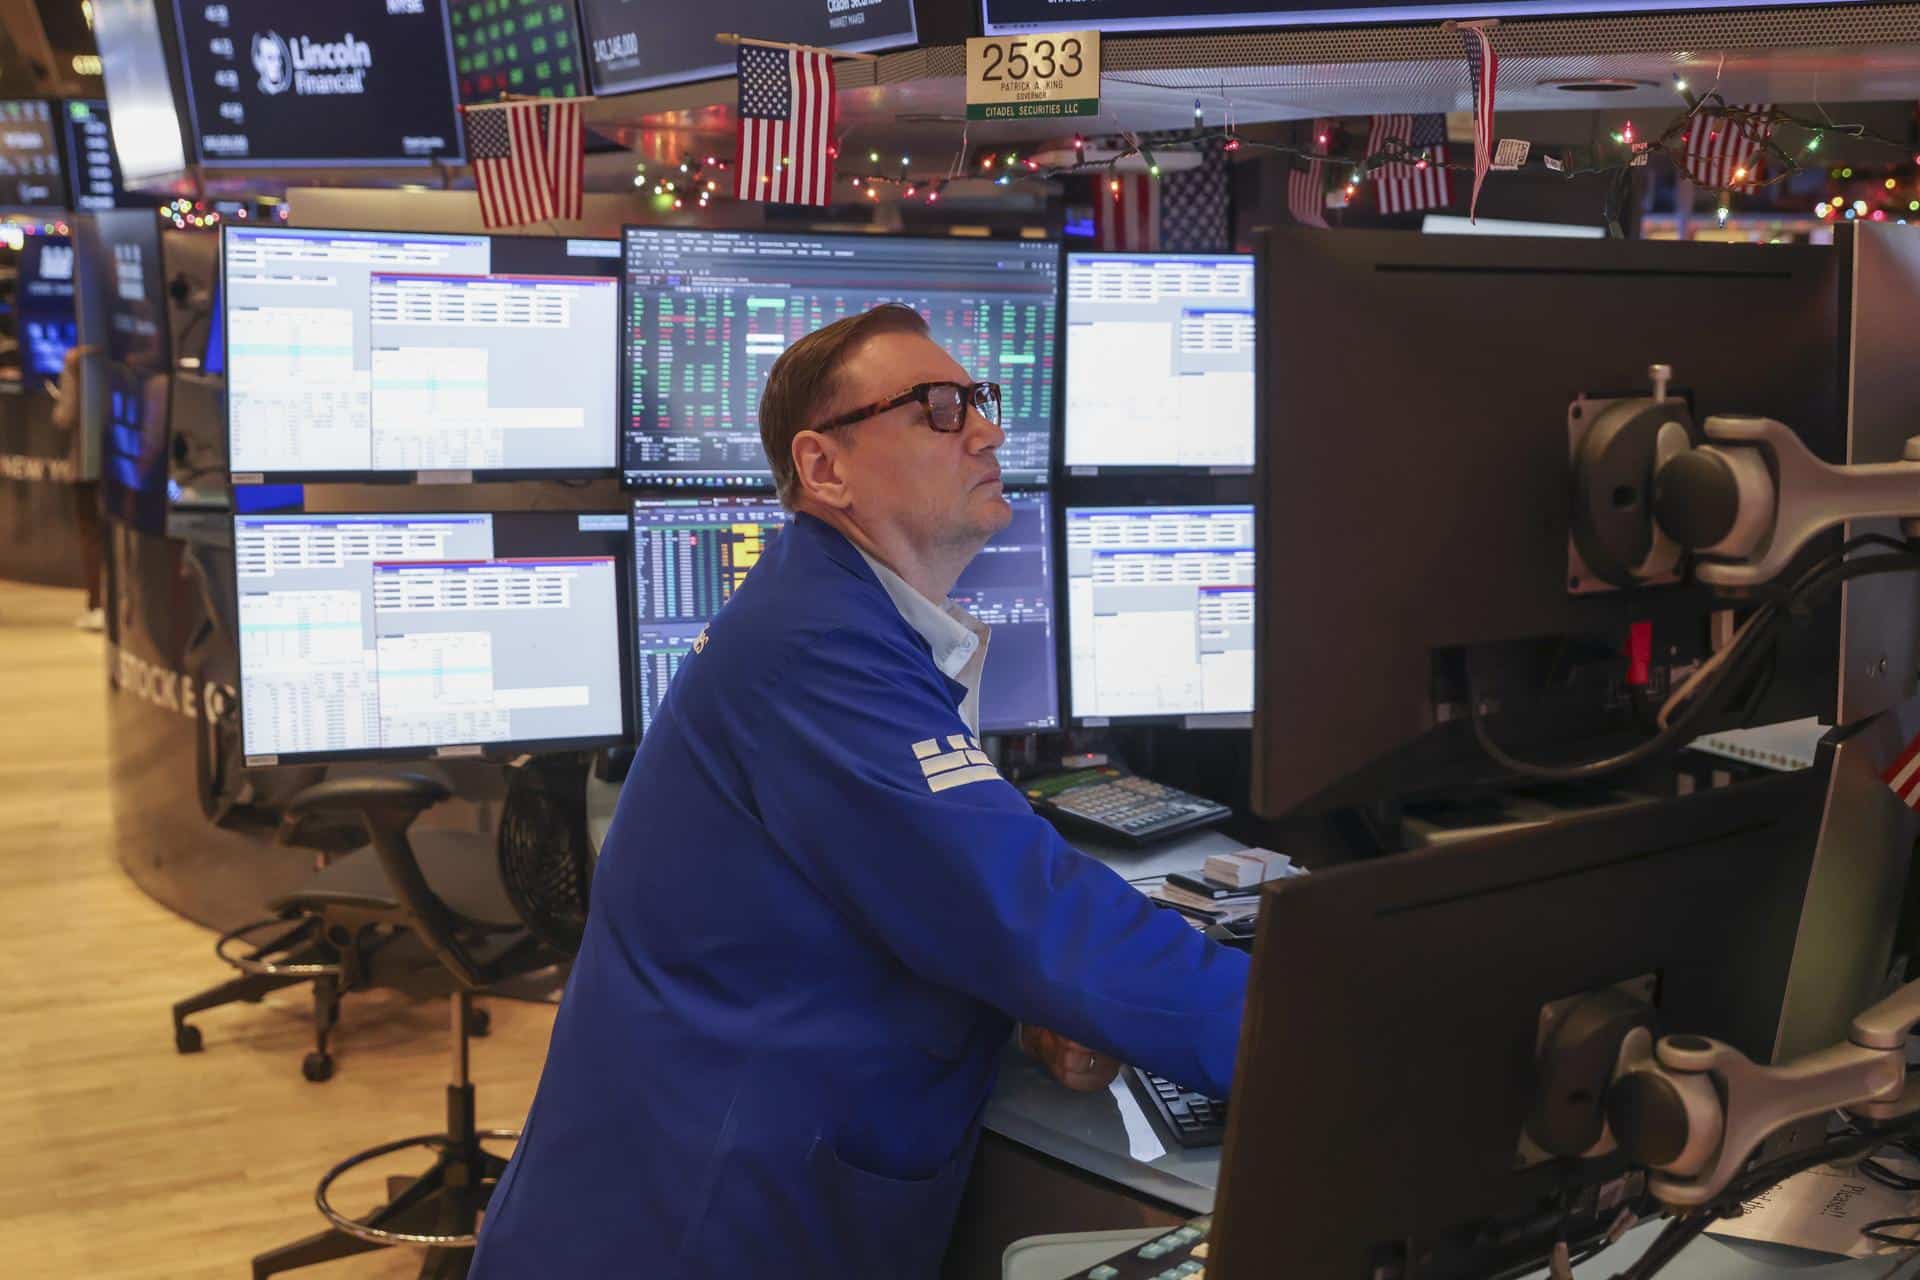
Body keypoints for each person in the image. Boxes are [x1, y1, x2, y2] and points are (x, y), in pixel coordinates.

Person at [470, 305, 1250, 1278]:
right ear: (823, 467)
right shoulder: (814, 645)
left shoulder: (844, 621)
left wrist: (1031, 1006)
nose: (988, 429)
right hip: (690, 1224)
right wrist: (1304, 1024)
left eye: (979, 401)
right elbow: (1023, 908)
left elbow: (924, 895)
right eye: (937, 407)